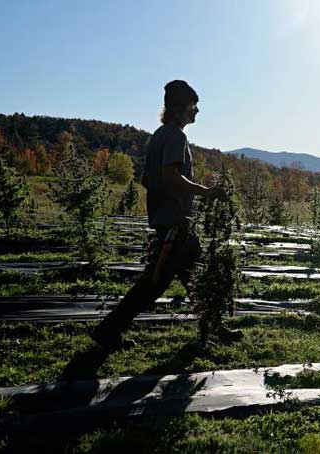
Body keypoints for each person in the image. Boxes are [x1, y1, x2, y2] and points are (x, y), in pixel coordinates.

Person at [91, 80, 226, 350]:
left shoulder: (159, 135)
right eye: (193, 106)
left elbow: (146, 179)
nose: (197, 112)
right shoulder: (176, 136)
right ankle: (108, 330)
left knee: (194, 276)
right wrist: (205, 192)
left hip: (169, 219)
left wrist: (162, 200)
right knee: (155, 284)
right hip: (176, 222)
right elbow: (170, 176)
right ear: (180, 109)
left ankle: (213, 327)